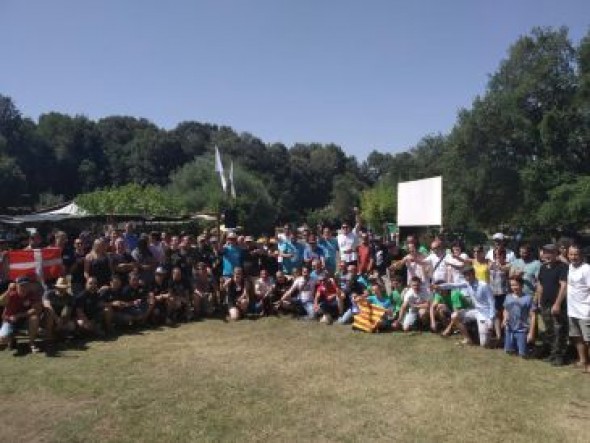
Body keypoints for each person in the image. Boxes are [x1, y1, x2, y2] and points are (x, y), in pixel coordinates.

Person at [440, 266, 495, 347]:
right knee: (455, 315)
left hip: (485, 314)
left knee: (484, 344)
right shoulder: (467, 283)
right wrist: (439, 286)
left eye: (468, 275)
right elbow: (453, 285)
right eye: (465, 275)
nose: (467, 277)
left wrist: (491, 319)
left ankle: (494, 338)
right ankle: (467, 339)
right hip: (475, 311)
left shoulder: (484, 285)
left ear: (474, 274)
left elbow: (492, 302)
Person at [535, 244, 568, 365]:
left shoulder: (562, 267)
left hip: (556, 304)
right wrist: (539, 301)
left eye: (550, 252)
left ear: (556, 254)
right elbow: (540, 285)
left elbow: (564, 286)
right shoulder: (543, 267)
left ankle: (559, 356)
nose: (547, 255)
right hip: (545, 304)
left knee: (559, 330)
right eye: (545, 252)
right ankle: (552, 354)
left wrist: (557, 304)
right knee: (549, 330)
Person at [0, 277, 43, 353]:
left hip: (25, 320)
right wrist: (8, 290)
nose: (24, 288)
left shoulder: (33, 294)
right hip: (9, 320)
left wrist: (18, 315)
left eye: (26, 285)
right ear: (16, 286)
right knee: (2, 340)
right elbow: (1, 302)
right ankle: (11, 339)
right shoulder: (11, 293)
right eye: (21, 285)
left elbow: (36, 309)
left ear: (29, 286)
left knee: (34, 318)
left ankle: (31, 344)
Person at [566, 244, 590, 374]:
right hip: (572, 310)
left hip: (585, 310)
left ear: (581, 255)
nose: (573, 257)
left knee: (588, 339)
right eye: (571, 254)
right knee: (577, 337)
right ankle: (582, 361)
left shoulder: (587, 269)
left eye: (576, 254)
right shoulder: (569, 267)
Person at [503, 275, 535, 358]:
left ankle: (528, 346)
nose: (514, 287)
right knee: (509, 352)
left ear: (522, 285)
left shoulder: (528, 298)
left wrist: (531, 333)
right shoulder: (508, 297)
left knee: (523, 354)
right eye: (512, 285)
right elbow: (506, 310)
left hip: (522, 329)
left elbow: (533, 316)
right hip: (509, 329)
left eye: (516, 285)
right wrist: (505, 318)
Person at [42, 277, 75, 342]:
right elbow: (47, 306)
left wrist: (61, 321)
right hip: (45, 318)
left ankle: (58, 333)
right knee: (49, 313)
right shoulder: (48, 294)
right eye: (60, 287)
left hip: (60, 319)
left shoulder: (69, 297)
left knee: (72, 325)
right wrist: (56, 318)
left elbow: (68, 311)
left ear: (66, 288)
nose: (61, 289)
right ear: (56, 287)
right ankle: (49, 335)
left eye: (64, 288)